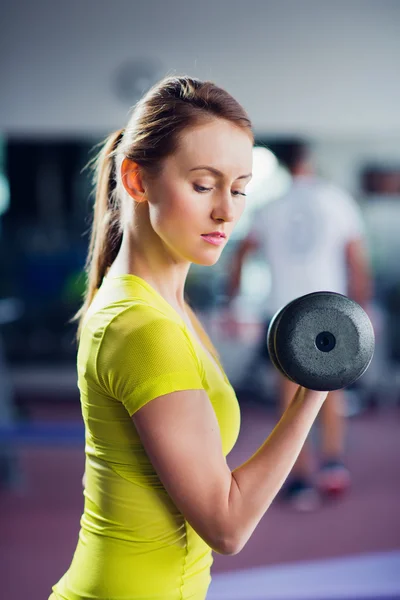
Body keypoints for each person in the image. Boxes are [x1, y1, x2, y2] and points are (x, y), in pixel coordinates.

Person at [49, 78, 330, 600]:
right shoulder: (145, 328)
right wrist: (314, 386)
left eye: (240, 188)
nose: (227, 211)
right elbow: (226, 525)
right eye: (204, 185)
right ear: (136, 180)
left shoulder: (163, 304)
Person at [227, 140, 372, 512]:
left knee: (288, 398)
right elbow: (356, 260)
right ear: (309, 161)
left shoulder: (270, 206)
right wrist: (363, 312)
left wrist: (233, 301)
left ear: (282, 163)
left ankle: (302, 480)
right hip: (333, 312)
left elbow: (241, 255)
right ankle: (333, 465)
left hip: (284, 314)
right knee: (331, 391)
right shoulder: (336, 200)